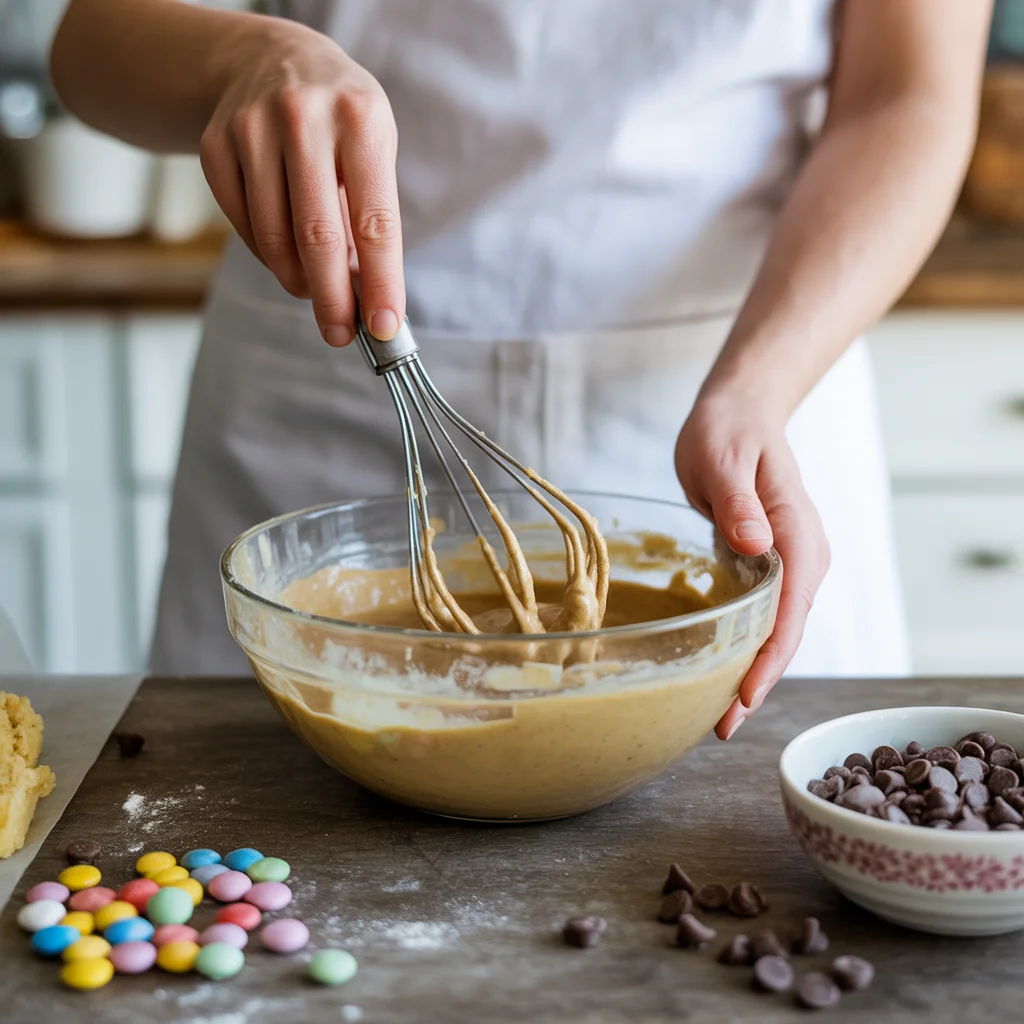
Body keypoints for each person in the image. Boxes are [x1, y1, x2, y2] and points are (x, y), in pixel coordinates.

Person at [51, 0, 990, 739]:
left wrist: (757, 389)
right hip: (326, 389)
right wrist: (241, 59)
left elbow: (908, 96)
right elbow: (91, 41)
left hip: (733, 377)